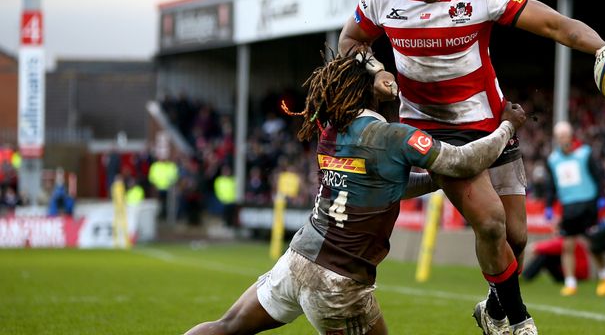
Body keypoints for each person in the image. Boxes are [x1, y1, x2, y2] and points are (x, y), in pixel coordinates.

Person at [338, 0, 605, 334]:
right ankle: (519, 324)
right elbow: (350, 40)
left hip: (491, 123)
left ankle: (494, 309)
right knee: (489, 223)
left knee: (516, 237)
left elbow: (554, 25)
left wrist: (602, 47)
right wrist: (375, 71)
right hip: (431, 132)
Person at [183, 54, 527, 335]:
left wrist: (437, 181)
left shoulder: (330, 132)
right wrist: (508, 126)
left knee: (225, 327)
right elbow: (465, 160)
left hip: (297, 260)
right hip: (339, 281)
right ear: (369, 89)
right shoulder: (394, 136)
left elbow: (386, 185)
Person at [545, 121, 605, 297]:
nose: (563, 139)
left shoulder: (585, 153)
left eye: (565, 135)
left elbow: (598, 175)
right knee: (567, 245)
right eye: (559, 136)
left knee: (593, 243)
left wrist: (602, 196)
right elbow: (551, 185)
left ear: (571, 135)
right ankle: (570, 282)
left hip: (588, 203)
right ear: (556, 139)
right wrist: (549, 206)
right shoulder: (553, 160)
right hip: (568, 205)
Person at [521, 236, 590, 284]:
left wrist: (535, 247)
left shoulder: (568, 241)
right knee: (547, 256)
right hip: (574, 274)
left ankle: (525, 277)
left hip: (578, 275)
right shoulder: (568, 240)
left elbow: (554, 246)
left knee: (545, 256)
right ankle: (525, 277)